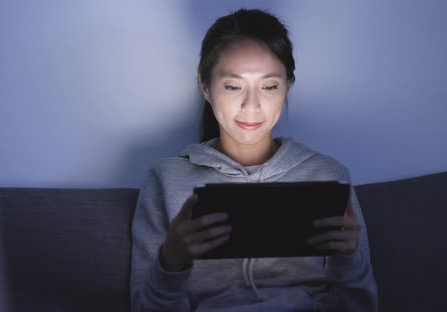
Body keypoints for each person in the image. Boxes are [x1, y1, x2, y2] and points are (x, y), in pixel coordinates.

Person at [129, 8, 378, 311]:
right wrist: (172, 261)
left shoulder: (328, 176)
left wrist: (348, 261)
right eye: (233, 86)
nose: (252, 105)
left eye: (269, 86)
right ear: (205, 86)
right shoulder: (166, 180)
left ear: (288, 85)